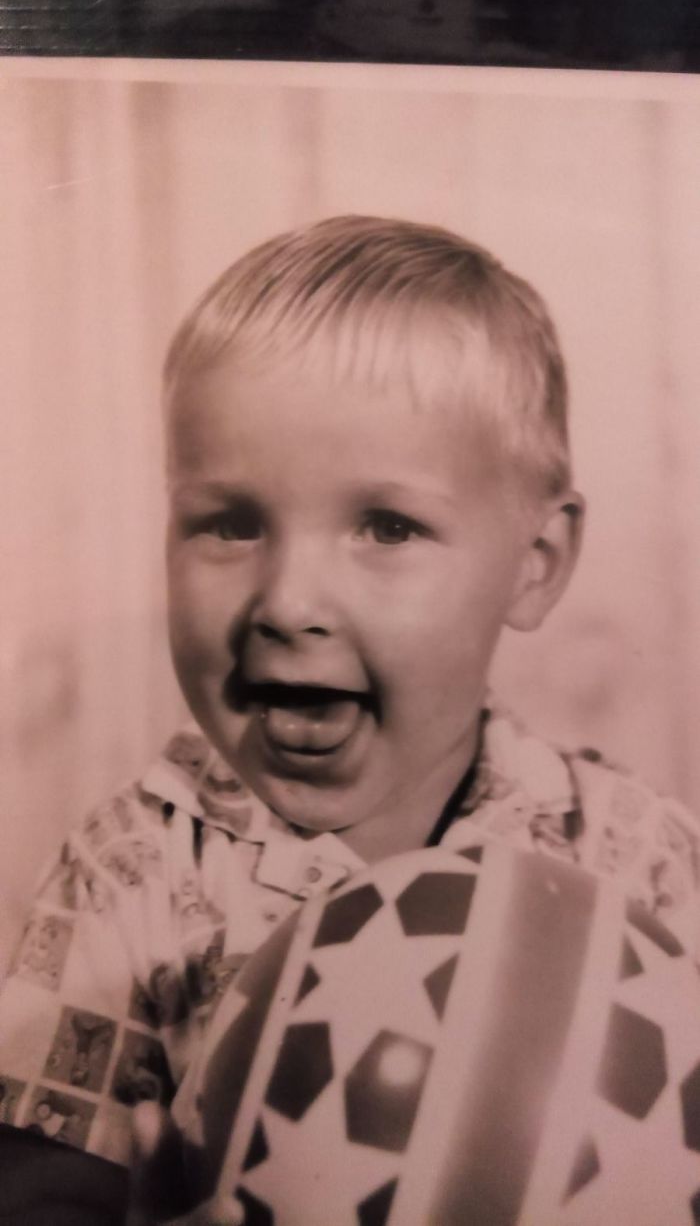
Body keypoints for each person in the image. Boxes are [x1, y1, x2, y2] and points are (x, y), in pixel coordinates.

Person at [1, 216, 699, 1223]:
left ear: (534, 561)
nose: (287, 600)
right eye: (230, 522)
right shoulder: (136, 873)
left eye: (386, 526)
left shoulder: (640, 863)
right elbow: (34, 1195)